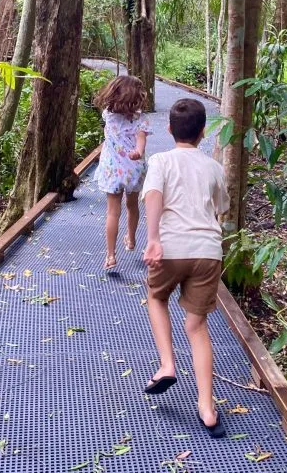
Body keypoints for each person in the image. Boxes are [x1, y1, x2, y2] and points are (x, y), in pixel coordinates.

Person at [141, 98, 230, 439]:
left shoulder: (161, 160)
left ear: (169, 130)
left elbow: (152, 195)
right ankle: (207, 408)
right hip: (208, 252)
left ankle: (167, 364)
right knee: (197, 325)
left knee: (156, 296)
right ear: (203, 132)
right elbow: (221, 206)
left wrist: (153, 239)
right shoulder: (213, 167)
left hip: (171, 247)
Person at [93, 75, 151, 270]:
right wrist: (138, 152)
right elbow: (141, 140)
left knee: (112, 212)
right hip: (133, 169)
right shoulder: (141, 119)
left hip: (112, 169)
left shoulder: (108, 114)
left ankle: (110, 255)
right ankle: (132, 239)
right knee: (132, 206)